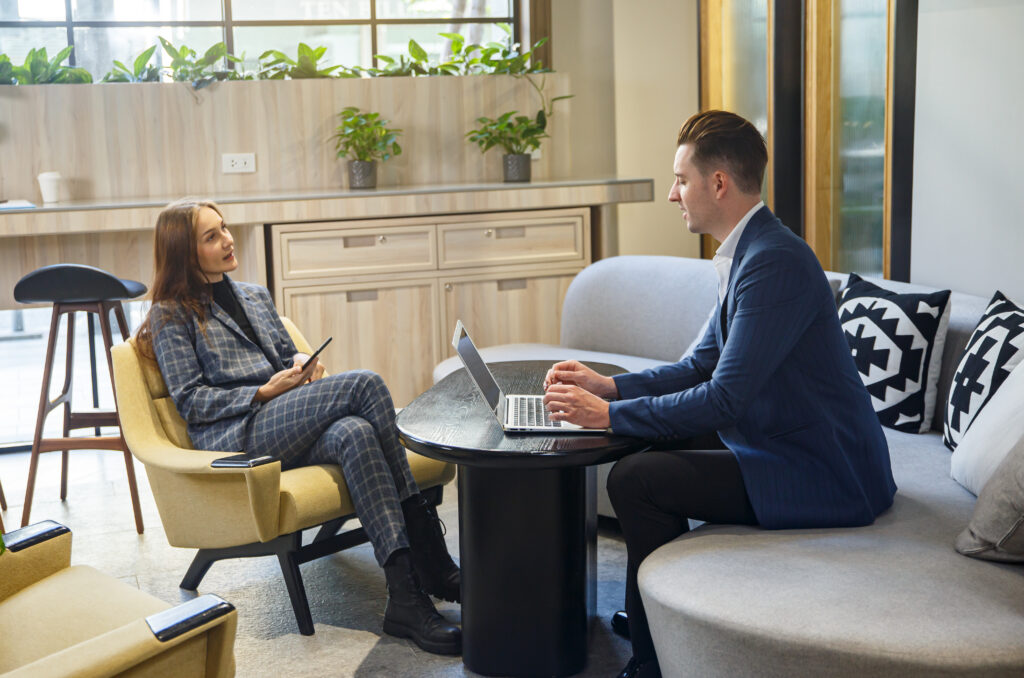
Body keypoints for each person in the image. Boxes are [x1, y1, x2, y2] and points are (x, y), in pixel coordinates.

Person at [542, 110, 897, 678]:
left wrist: (608, 413)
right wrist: (608, 386)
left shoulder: (773, 262)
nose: (671, 194)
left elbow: (724, 399)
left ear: (719, 184)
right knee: (644, 445)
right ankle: (660, 612)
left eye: (680, 180)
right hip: (786, 435)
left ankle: (655, 658)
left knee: (635, 478)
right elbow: (699, 364)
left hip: (824, 469)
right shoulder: (749, 252)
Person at [135, 198, 462, 655]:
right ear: (184, 253)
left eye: (224, 228)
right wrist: (262, 392)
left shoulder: (254, 295)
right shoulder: (171, 313)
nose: (228, 240)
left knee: (356, 433)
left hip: (282, 418)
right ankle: (433, 557)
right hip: (236, 433)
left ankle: (405, 596)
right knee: (365, 384)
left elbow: (283, 357)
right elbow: (191, 402)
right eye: (211, 237)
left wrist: (298, 367)